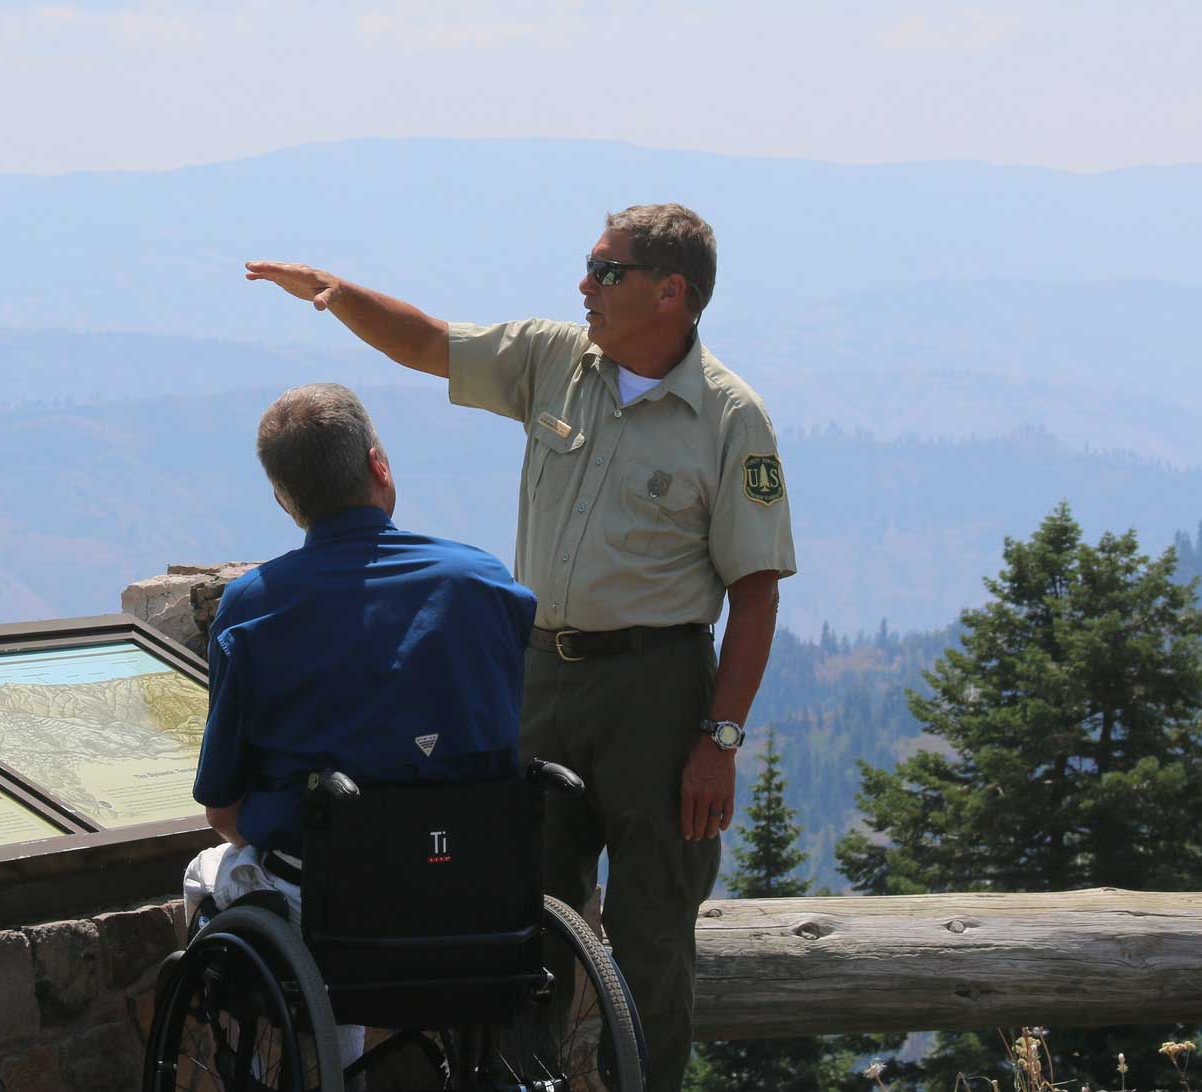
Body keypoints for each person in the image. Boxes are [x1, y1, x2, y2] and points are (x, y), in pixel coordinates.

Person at [245, 204, 796, 1092]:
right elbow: (429, 344)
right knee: (515, 915)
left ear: (672, 292)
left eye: (605, 271)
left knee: (653, 934)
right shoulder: (553, 359)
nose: (585, 285)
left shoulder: (731, 419)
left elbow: (757, 589)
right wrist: (336, 295)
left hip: (658, 693)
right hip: (539, 676)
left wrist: (719, 740)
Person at [187, 381, 536, 917]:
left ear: (284, 499)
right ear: (379, 467)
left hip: (328, 891)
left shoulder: (252, 608)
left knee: (203, 875)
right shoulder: (484, 583)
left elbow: (223, 811)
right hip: (474, 876)